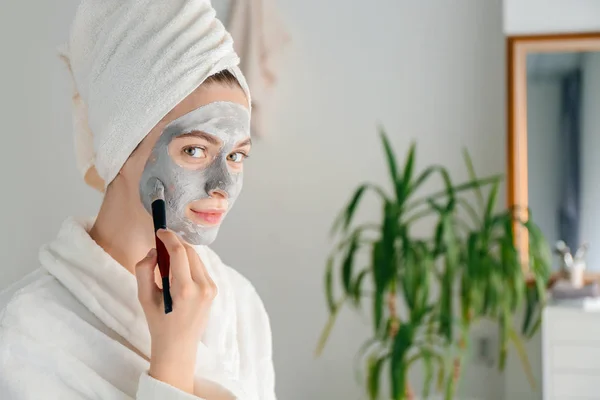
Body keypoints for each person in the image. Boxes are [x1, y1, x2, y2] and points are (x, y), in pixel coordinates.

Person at [0, 1, 275, 399]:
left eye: (236, 156)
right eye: (194, 150)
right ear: (121, 148)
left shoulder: (239, 303)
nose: (222, 187)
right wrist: (174, 358)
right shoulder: (23, 334)